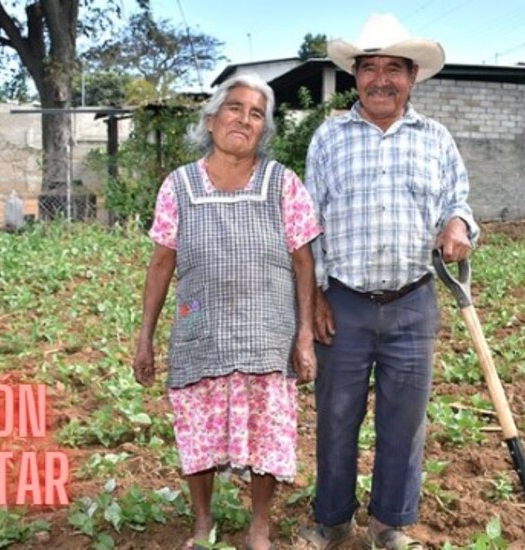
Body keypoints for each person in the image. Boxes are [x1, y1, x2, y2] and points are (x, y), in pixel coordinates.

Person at [301, 13, 479, 550]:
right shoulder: (329, 137)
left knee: (404, 424)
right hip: (345, 303)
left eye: (394, 69)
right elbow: (308, 225)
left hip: (412, 302)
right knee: (336, 418)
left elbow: (460, 204)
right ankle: (332, 520)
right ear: (356, 76)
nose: (382, 79)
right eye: (370, 68)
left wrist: (457, 225)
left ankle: (389, 524)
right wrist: (314, 296)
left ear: (412, 77)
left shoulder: (437, 140)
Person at [133, 73, 321, 550]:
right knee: (198, 436)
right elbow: (160, 264)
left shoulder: (283, 184)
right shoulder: (178, 185)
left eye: (257, 114)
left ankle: (260, 525)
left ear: (266, 129)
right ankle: (202, 522)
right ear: (211, 119)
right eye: (235, 108)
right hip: (202, 333)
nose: (245, 119)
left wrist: (303, 336)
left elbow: (304, 263)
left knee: (267, 437)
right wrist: (145, 337)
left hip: (267, 336)